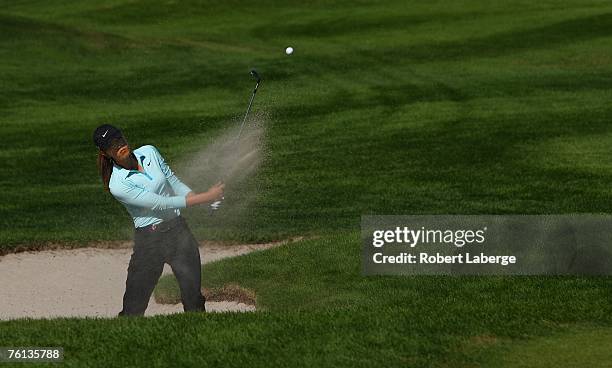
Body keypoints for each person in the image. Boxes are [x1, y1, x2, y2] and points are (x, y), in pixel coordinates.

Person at [92, 124, 224, 316]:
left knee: (193, 297)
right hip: (150, 243)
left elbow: (173, 182)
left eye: (119, 138)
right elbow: (160, 203)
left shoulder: (149, 152)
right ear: (105, 153)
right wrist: (205, 197)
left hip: (179, 232)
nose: (119, 144)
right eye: (112, 145)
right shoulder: (117, 184)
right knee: (134, 307)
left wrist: (203, 200)